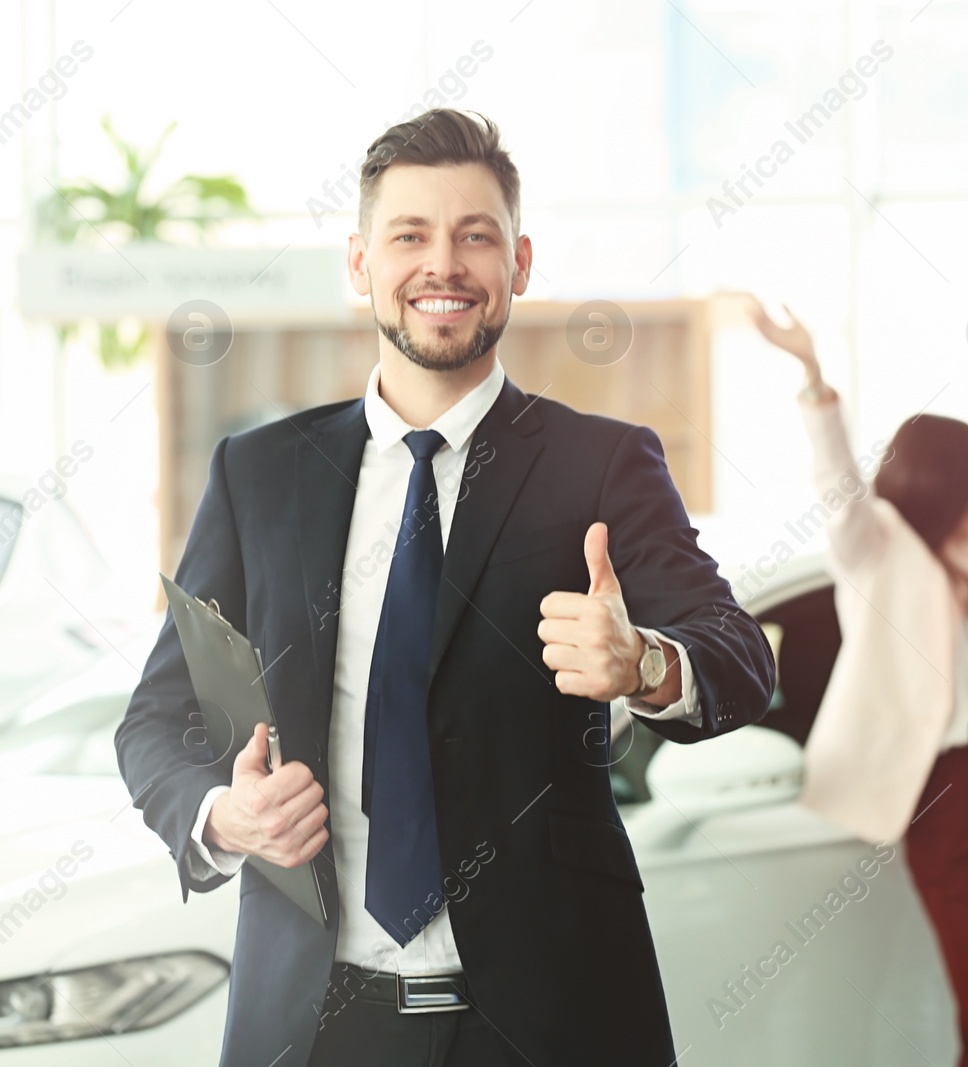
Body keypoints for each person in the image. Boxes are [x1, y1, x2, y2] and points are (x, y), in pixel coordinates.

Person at [114, 108, 775, 1067]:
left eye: (477, 236)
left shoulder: (603, 464)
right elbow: (155, 722)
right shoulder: (259, 474)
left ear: (521, 262)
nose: (445, 265)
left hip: (554, 1021)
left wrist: (645, 664)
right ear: (360, 263)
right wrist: (224, 816)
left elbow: (740, 656)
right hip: (314, 1023)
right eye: (410, 236)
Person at [748, 283, 968, 1066]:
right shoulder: (878, 546)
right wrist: (812, 375)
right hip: (955, 790)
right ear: (946, 482)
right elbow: (836, 484)